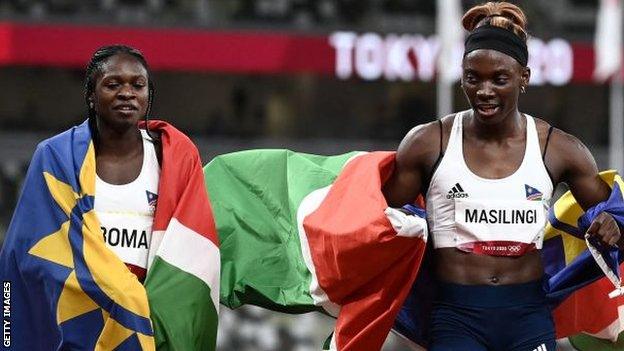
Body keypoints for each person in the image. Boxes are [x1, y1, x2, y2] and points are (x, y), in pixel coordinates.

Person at [383, 2, 621, 351]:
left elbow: (616, 219)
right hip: (456, 317)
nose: (484, 91)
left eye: (500, 79)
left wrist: (614, 224)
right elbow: (374, 220)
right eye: (472, 77)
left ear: (524, 78)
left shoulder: (558, 148)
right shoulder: (428, 143)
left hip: (528, 317)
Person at [0, 45, 218, 350]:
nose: (127, 93)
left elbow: (193, 248)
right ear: (91, 94)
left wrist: (139, 299)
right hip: (78, 321)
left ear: (148, 95)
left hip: (151, 322)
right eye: (113, 84)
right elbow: (25, 253)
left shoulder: (174, 158)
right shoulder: (56, 157)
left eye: (137, 85)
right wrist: (116, 291)